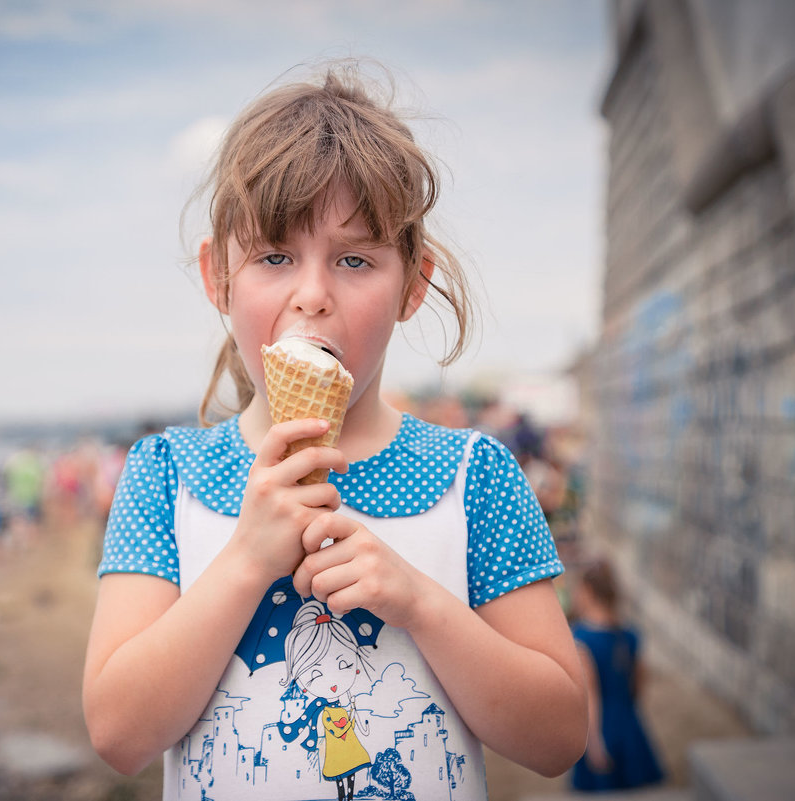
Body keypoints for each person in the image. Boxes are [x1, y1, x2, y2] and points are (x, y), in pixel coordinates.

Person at [83, 62, 588, 801]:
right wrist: (247, 560)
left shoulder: (473, 476)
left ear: (414, 282)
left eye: (355, 259)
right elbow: (118, 732)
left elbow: (558, 736)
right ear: (218, 275)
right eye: (275, 257)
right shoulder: (167, 474)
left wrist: (418, 601)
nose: (312, 295)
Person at [569, 559, 665, 793]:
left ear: (588, 592)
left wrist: (593, 743)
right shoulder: (630, 634)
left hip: (600, 729)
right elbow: (638, 684)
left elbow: (590, 695)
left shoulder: (582, 640)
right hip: (629, 723)